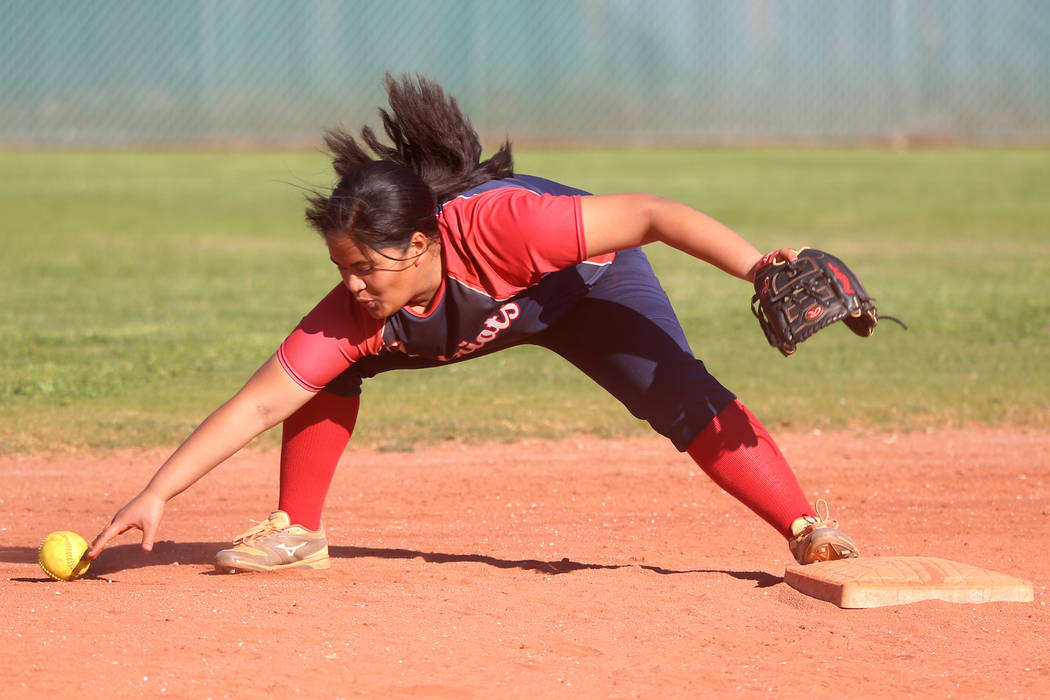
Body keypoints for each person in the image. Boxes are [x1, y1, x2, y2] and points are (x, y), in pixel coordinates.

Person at [89, 74, 858, 573]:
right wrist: (157, 492)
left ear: (421, 244)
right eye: (341, 269)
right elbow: (261, 401)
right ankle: (299, 529)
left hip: (579, 289)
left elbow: (653, 214)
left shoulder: (514, 226)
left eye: (367, 267)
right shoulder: (359, 311)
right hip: (472, 313)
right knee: (334, 366)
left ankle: (803, 529)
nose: (352, 286)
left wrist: (759, 266)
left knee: (677, 393)